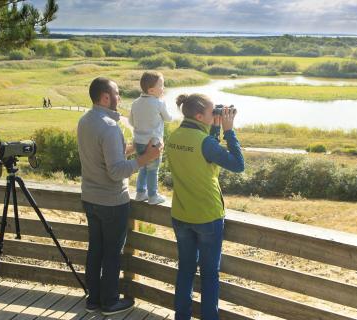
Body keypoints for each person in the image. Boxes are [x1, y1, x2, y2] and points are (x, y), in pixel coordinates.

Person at [77, 77, 162, 316]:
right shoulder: (110, 126)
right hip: (112, 202)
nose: (120, 97)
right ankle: (110, 302)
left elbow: (103, 154)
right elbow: (116, 172)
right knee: (112, 254)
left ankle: (93, 300)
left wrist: (134, 149)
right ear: (106, 97)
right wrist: (147, 159)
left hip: (90, 198)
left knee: (96, 250)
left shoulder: (86, 120)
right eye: (117, 93)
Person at [166, 94, 244, 320]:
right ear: (200, 116)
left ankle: (182, 317)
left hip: (181, 214)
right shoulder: (205, 142)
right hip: (208, 216)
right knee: (210, 275)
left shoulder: (174, 137)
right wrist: (229, 131)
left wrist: (215, 128)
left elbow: (203, 154)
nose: (216, 114)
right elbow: (238, 165)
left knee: (186, 270)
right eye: (213, 112)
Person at [129, 71, 173, 205]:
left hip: (139, 142)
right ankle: (153, 195)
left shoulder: (135, 102)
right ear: (152, 90)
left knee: (143, 167)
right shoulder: (159, 103)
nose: (163, 88)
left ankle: (140, 193)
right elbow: (169, 119)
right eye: (161, 85)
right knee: (153, 170)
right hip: (154, 143)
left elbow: (131, 122)